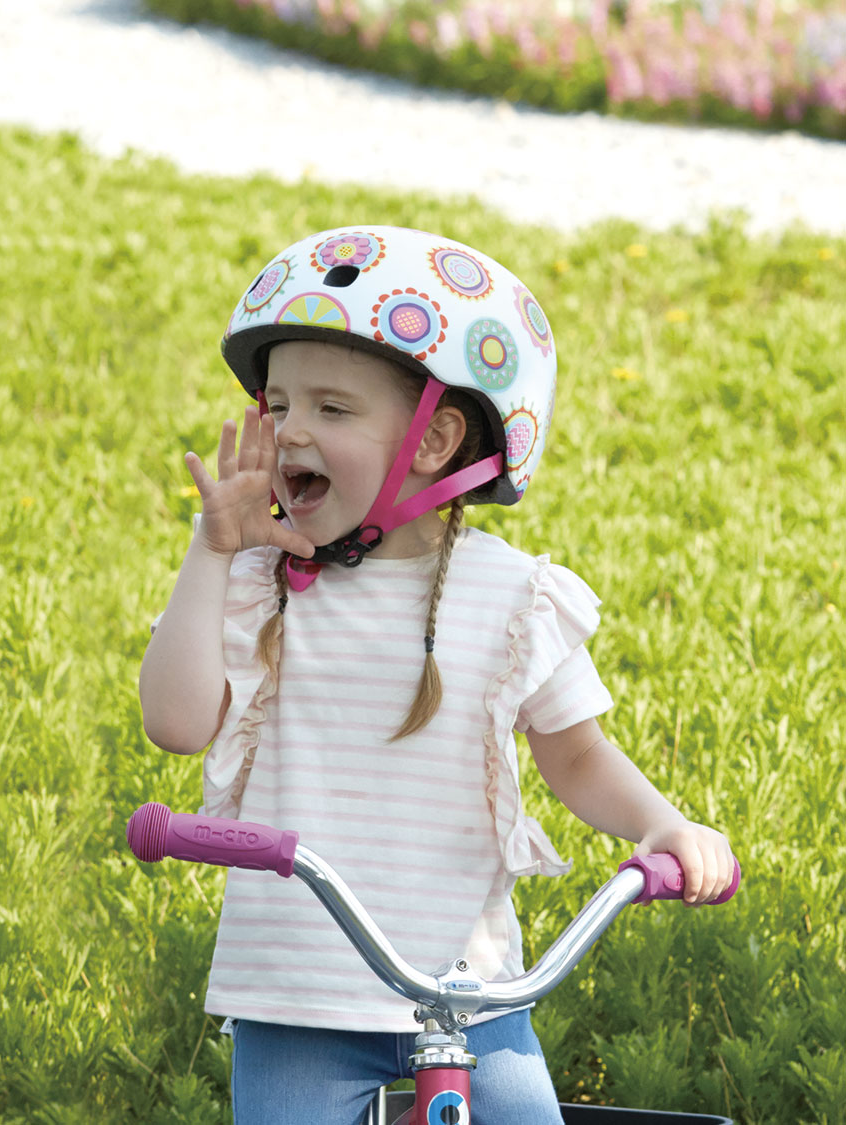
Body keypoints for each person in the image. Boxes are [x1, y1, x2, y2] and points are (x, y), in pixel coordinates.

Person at [137, 226, 734, 1124]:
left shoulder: (511, 595)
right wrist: (211, 550)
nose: (291, 429)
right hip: (297, 998)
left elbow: (576, 756)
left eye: (332, 409)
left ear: (435, 438)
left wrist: (661, 823)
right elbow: (176, 722)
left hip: (470, 992)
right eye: (279, 404)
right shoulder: (259, 582)